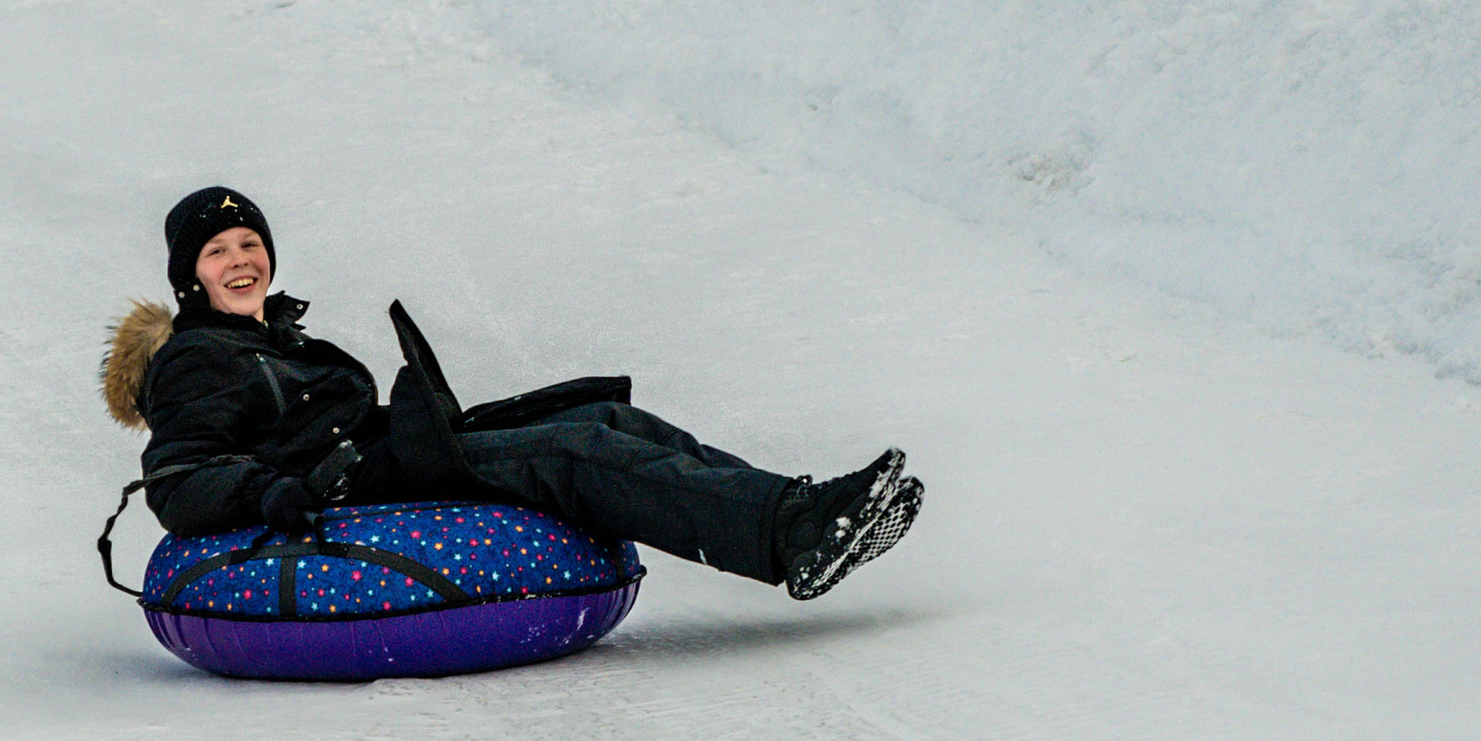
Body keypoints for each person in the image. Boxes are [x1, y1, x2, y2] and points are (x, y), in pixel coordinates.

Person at [101, 184, 922, 604]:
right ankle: (791, 538)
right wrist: (273, 491)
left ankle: (794, 506)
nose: (242, 260)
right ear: (190, 278)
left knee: (601, 414)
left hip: (387, 457)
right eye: (218, 251)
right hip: (349, 489)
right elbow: (178, 479)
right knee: (574, 452)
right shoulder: (198, 360)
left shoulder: (276, 340)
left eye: (251, 243)